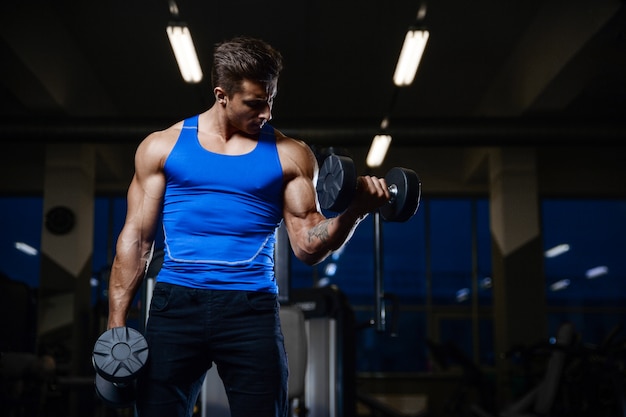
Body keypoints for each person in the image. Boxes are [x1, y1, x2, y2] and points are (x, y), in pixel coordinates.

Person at [106, 36, 391, 417]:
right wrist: (116, 323)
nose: (268, 113)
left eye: (271, 100)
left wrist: (355, 211)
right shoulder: (163, 146)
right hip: (175, 304)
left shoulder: (291, 155)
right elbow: (137, 239)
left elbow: (308, 245)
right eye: (256, 103)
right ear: (221, 95)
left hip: (250, 309)